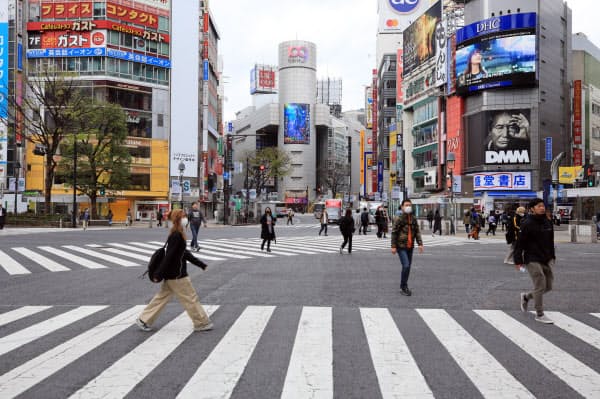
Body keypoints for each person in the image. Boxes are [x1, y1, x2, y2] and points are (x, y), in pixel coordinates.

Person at [135, 209, 213, 332]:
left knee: (161, 298)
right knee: (191, 298)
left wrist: (201, 264)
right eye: (183, 216)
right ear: (177, 219)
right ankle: (201, 323)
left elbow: (184, 253)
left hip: (172, 275)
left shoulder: (177, 234)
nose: (186, 219)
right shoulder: (176, 235)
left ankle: (143, 319)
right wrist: (158, 274)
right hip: (178, 276)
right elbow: (169, 256)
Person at [514, 198, 556, 324]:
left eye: (543, 206)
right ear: (532, 209)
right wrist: (518, 261)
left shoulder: (548, 222)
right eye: (539, 206)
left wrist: (552, 256)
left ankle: (526, 297)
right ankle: (539, 314)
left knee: (548, 287)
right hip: (531, 258)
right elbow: (519, 244)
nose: (542, 208)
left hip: (545, 258)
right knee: (540, 284)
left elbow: (550, 241)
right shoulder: (527, 223)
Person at [391, 199, 424, 296]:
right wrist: (393, 246)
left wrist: (420, 244)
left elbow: (417, 232)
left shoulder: (413, 218)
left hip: (410, 246)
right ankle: (403, 286)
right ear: (402, 207)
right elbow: (394, 233)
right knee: (405, 265)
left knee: (408, 267)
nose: (408, 206)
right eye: (406, 205)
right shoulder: (399, 218)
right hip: (401, 246)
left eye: (410, 205)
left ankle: (404, 285)